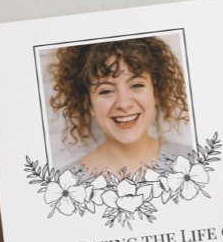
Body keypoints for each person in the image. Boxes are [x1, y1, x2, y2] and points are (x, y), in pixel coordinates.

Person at [49, 37, 191, 175]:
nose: (124, 104)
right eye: (106, 91)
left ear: (156, 92)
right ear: (89, 103)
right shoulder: (67, 184)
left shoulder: (193, 161)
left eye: (136, 85)